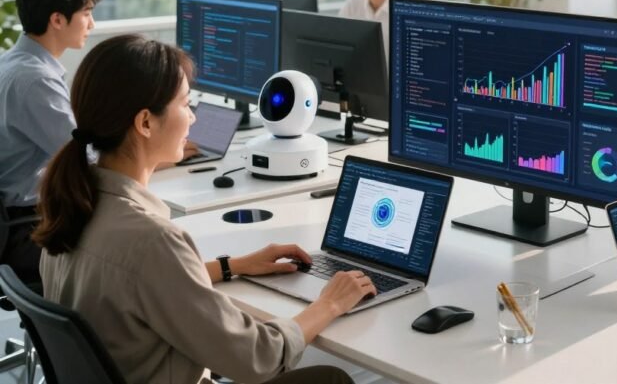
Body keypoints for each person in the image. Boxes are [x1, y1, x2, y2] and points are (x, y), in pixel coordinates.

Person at [34, 34, 377, 384]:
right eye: (186, 105)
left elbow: (135, 282)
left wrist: (232, 266)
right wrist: (329, 303)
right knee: (331, 378)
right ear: (145, 123)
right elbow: (258, 357)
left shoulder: (72, 205)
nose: (193, 118)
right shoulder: (152, 241)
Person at [0, 0, 102, 283]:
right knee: (125, 253)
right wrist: (156, 155)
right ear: (57, 19)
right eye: (86, 13)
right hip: (27, 227)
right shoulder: (35, 80)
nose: (92, 23)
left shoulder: (13, 62)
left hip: (16, 218)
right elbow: (84, 158)